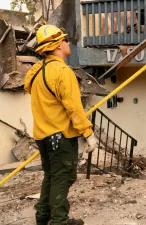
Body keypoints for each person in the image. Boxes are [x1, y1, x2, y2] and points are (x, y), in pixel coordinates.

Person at [24, 24, 97, 225]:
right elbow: (74, 108)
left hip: (43, 136)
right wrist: (88, 133)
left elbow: (29, 85)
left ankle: (43, 217)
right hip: (61, 137)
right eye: (64, 40)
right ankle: (59, 221)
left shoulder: (38, 72)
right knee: (62, 178)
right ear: (57, 46)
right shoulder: (63, 72)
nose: (68, 42)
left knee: (52, 176)